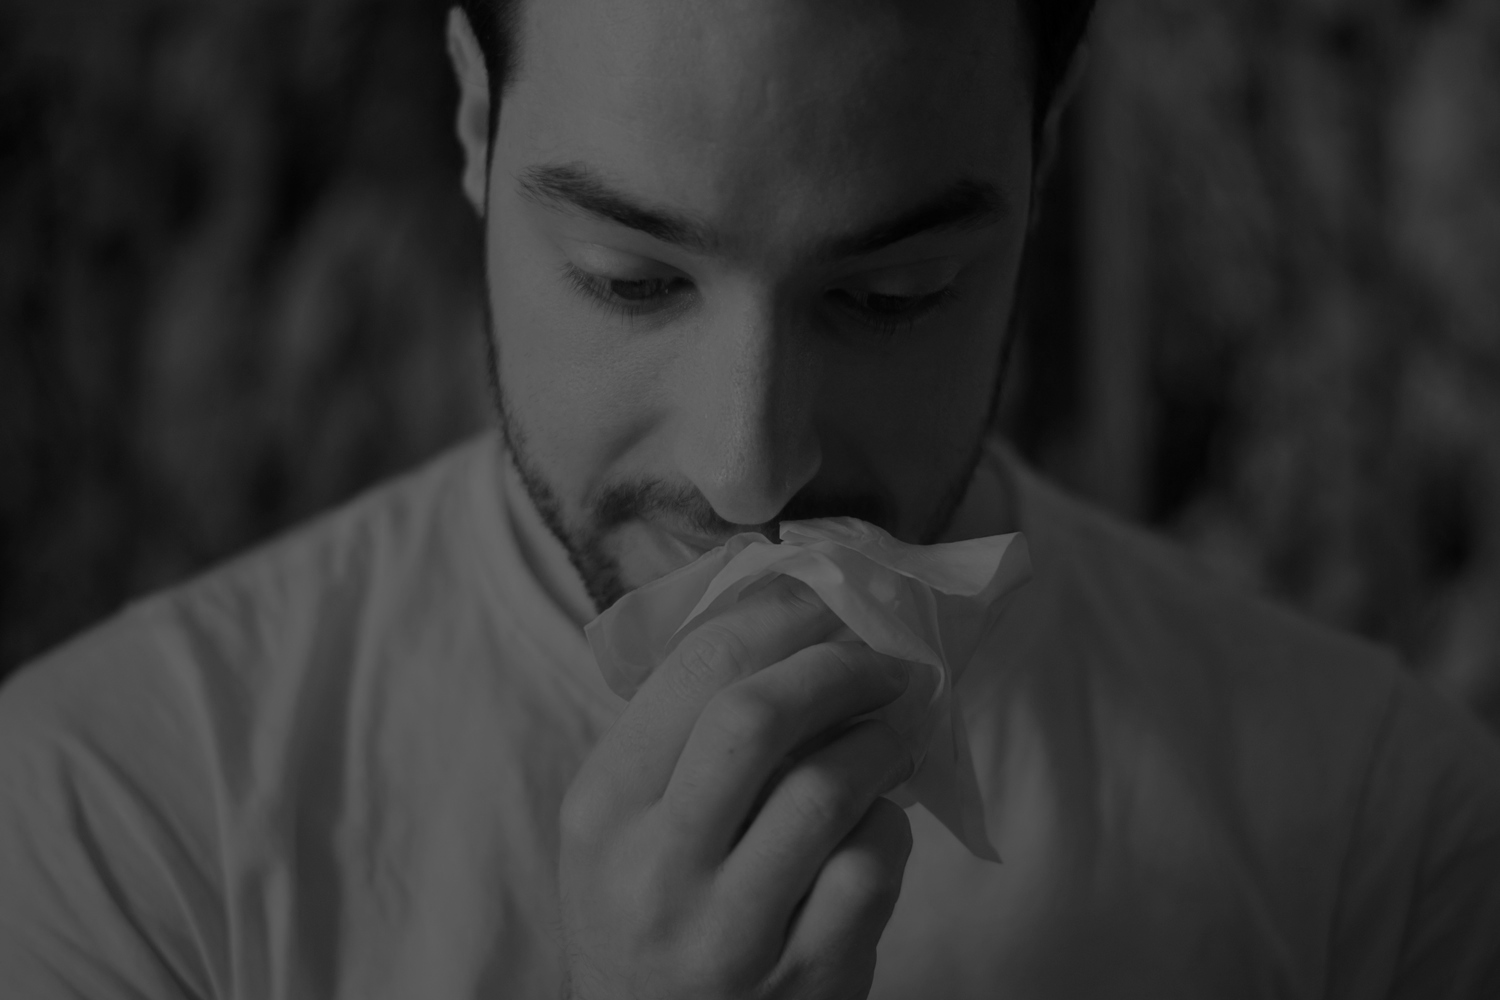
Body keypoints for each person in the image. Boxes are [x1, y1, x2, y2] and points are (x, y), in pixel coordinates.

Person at [2, 0, 1498, 995]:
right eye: (633, 280)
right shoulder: (112, 825)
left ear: (1039, 160)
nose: (752, 468)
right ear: (473, 119)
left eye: (893, 294)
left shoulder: (1382, 843)